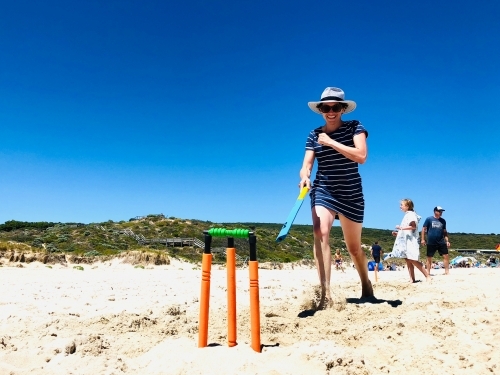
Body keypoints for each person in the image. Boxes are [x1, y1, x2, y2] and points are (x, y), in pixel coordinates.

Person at [299, 87, 373, 307]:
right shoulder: (314, 134)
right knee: (320, 231)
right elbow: (307, 165)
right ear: (320, 109)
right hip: (324, 189)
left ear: (343, 109)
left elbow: (361, 156)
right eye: (325, 107)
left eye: (335, 107)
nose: (330, 111)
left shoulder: (354, 127)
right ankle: (325, 293)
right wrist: (305, 177)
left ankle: (366, 283)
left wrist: (331, 142)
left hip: (351, 193)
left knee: (354, 248)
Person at [386, 199, 430, 282]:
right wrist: (398, 233)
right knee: (408, 259)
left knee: (412, 259)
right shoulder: (408, 214)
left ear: (407, 206)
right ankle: (412, 278)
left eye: (402, 205)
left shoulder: (411, 214)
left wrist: (401, 228)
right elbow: (408, 229)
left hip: (411, 241)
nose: (400, 206)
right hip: (407, 240)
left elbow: (413, 226)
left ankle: (427, 276)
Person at [421, 206, 450, 275]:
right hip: (431, 240)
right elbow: (423, 229)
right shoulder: (429, 219)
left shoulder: (443, 221)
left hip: (441, 240)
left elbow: (445, 231)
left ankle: (447, 271)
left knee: (446, 255)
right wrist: (422, 239)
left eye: (441, 211)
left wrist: (447, 241)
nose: (441, 213)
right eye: (439, 211)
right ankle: (428, 272)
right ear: (435, 211)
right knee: (429, 257)